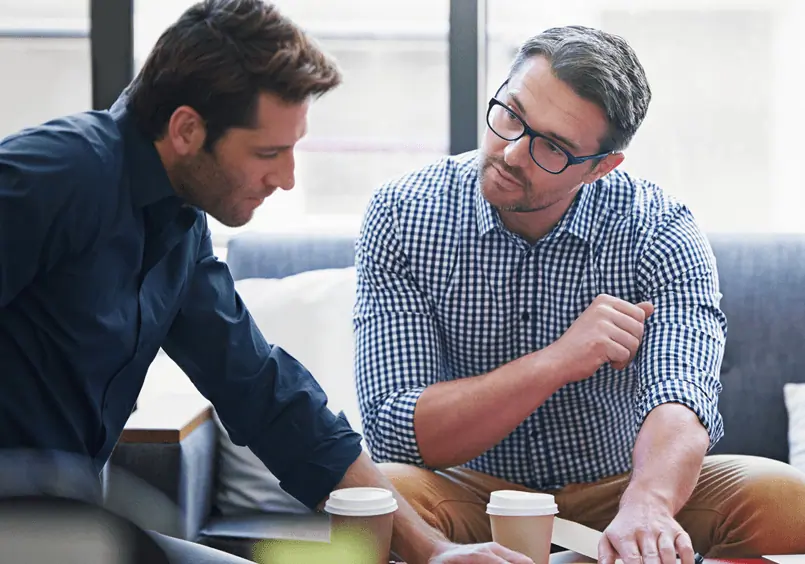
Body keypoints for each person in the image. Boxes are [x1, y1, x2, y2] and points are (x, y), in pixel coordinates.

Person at [0, 1, 534, 563]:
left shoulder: (177, 224)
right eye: (268, 153)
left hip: (66, 534)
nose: (285, 178)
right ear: (187, 129)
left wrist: (434, 552)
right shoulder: (53, 177)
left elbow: (265, 392)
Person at [354, 24, 805, 564]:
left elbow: (681, 392)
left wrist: (650, 504)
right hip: (469, 492)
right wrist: (556, 362)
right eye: (511, 115)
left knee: (785, 500)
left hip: (620, 487)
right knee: (378, 501)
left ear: (601, 166)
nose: (513, 153)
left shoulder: (658, 227)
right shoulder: (404, 213)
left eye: (553, 147)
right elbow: (394, 429)